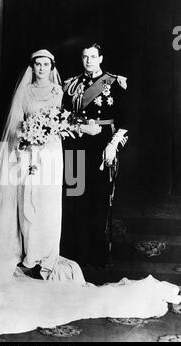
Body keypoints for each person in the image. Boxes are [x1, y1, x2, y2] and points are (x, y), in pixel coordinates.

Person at [0, 50, 180, 336]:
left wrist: (67, 130)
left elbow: (68, 120)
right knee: (28, 206)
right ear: (32, 67)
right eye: (37, 65)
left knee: (51, 207)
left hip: (53, 157)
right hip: (29, 158)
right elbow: (15, 129)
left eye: (46, 65)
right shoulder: (25, 93)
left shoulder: (62, 91)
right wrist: (28, 139)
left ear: (52, 67)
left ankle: (47, 255)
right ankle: (29, 255)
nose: (42, 69)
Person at [61, 42, 128, 269]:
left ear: (100, 58)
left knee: (99, 203)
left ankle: (97, 261)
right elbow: (63, 117)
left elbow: (125, 121)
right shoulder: (71, 86)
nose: (88, 61)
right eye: (84, 57)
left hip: (102, 148)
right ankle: (74, 257)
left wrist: (113, 146)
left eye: (92, 57)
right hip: (75, 147)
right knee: (74, 200)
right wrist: (80, 128)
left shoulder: (113, 82)